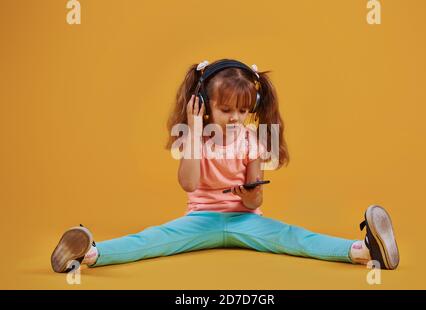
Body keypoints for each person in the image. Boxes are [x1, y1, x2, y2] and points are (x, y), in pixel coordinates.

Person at [51, 59, 399, 273]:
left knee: (294, 237)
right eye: (226, 110)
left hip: (247, 221)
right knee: (152, 239)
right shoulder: (194, 136)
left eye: (243, 111)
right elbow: (188, 184)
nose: (235, 119)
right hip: (200, 221)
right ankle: (90, 254)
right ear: (204, 106)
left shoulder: (254, 141)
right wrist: (196, 130)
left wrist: (250, 194)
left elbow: (255, 201)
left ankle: (364, 251)